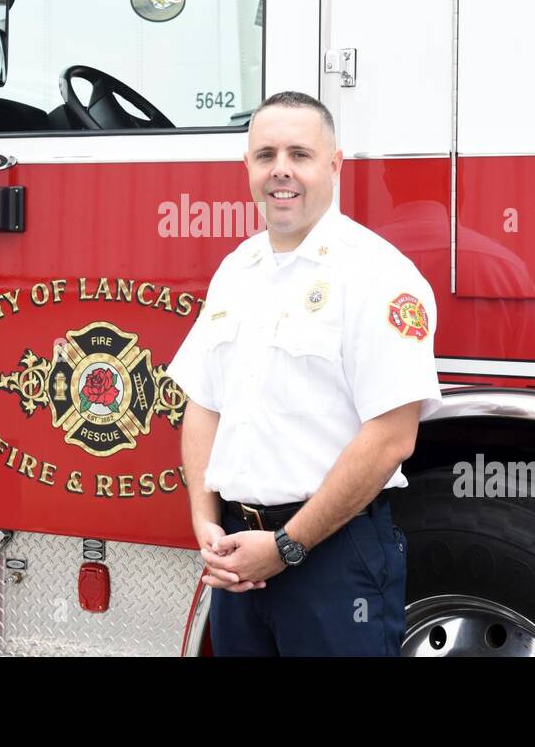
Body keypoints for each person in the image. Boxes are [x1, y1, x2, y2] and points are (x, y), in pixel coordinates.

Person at [167, 91, 442, 656]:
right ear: (247, 167)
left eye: (300, 154)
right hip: (239, 557)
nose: (281, 171)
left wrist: (288, 546)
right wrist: (204, 521)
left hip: (333, 558)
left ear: (335, 164)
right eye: (265, 155)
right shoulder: (236, 270)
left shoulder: (379, 276)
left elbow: (392, 436)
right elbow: (203, 404)